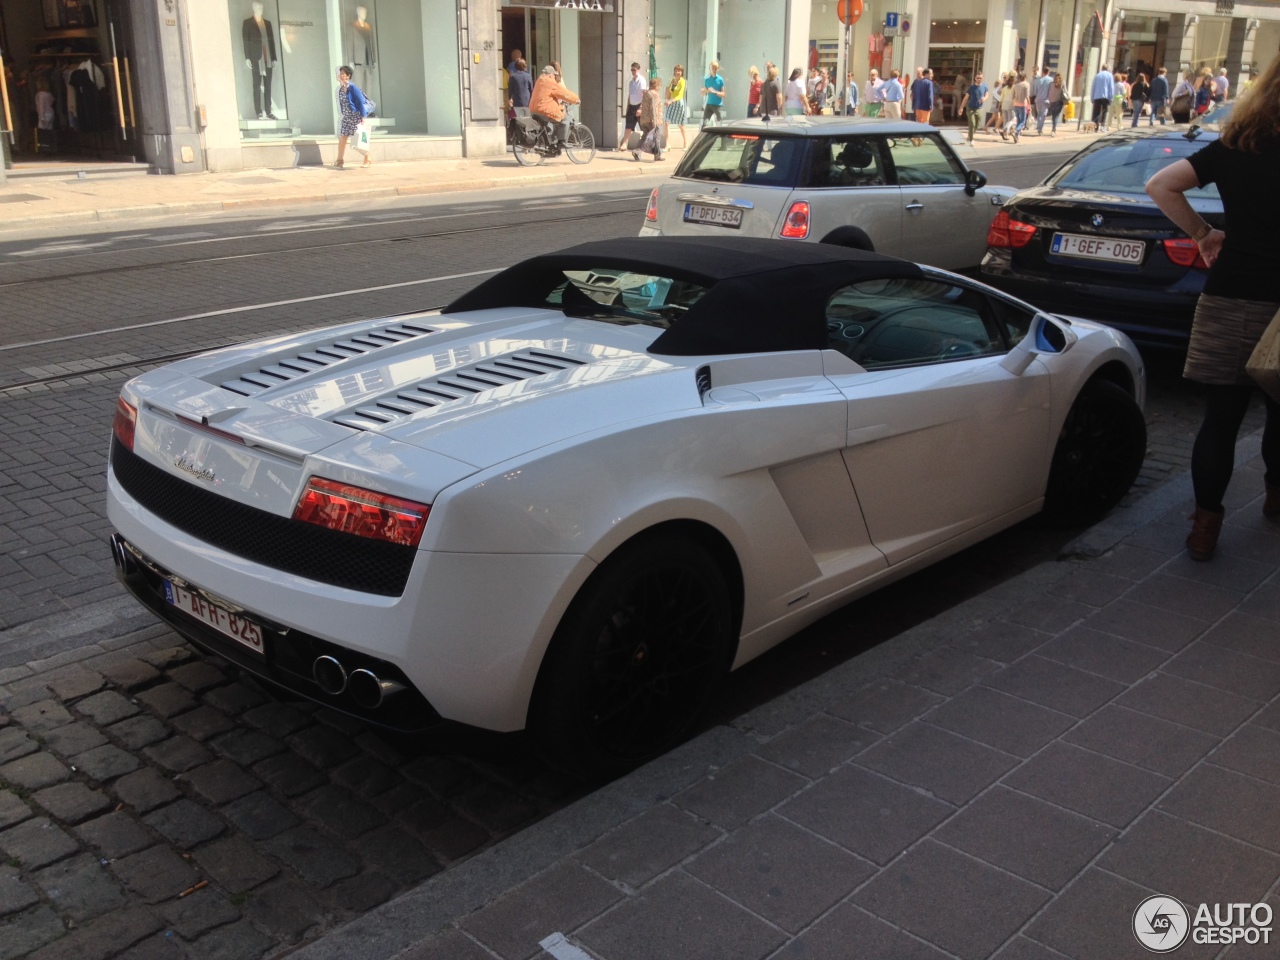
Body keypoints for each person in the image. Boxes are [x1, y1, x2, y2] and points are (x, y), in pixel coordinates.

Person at [1145, 55, 1280, 561]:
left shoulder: (1234, 145)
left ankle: (1204, 529)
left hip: (1229, 297)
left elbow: (1159, 185)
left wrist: (1204, 234)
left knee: (1220, 420)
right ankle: (1274, 498)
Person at [333, 65, 373, 169]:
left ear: (348, 76)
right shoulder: (340, 89)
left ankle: (367, 158)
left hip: (355, 118)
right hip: (346, 118)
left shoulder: (353, 88)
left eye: (343, 74)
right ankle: (340, 160)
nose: (341, 76)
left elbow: (360, 102)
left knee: (360, 139)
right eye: (340, 74)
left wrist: (363, 117)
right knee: (342, 138)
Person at [529, 63, 579, 146]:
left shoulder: (539, 80)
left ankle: (548, 146)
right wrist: (576, 99)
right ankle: (561, 142)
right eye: (553, 75)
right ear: (550, 74)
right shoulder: (550, 82)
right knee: (564, 118)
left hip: (534, 109)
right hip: (544, 109)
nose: (554, 76)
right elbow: (563, 93)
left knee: (547, 126)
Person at [635, 76, 664, 161]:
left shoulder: (646, 93)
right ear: (656, 85)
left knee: (645, 137)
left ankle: (637, 151)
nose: (660, 87)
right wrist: (654, 121)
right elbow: (653, 108)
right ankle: (657, 155)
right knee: (656, 137)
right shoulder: (654, 95)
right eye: (660, 85)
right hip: (653, 120)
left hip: (644, 120)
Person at [663, 65, 688, 148]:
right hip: (671, 103)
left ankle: (685, 142)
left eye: (679, 71)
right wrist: (667, 98)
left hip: (678, 103)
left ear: (681, 72)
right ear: (674, 71)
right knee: (666, 122)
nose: (677, 72)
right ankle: (667, 144)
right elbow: (667, 94)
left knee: (680, 124)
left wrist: (671, 101)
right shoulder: (671, 80)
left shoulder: (683, 81)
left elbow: (680, 95)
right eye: (676, 70)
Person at [624, 61, 644, 143]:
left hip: (639, 105)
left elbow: (644, 94)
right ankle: (624, 144)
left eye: (634, 70)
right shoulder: (631, 82)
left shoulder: (641, 80)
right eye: (632, 70)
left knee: (643, 126)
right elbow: (630, 95)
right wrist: (627, 106)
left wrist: (641, 108)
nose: (633, 72)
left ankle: (647, 142)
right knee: (628, 126)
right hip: (632, 105)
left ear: (638, 70)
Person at [966, 72, 988, 143]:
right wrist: (961, 107)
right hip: (970, 108)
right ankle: (971, 139)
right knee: (972, 123)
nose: (979, 79)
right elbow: (966, 98)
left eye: (980, 78)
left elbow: (987, 94)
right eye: (977, 78)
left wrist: (984, 99)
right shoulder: (972, 88)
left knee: (977, 125)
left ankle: (970, 135)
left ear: (982, 78)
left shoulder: (984, 86)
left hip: (979, 108)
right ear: (975, 78)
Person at [1091, 63, 1114, 129]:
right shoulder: (1110, 76)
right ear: (1108, 69)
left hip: (1097, 96)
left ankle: (1095, 125)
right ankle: (1102, 125)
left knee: (1096, 111)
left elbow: (1093, 87)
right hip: (1105, 96)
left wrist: (1092, 97)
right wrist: (1111, 97)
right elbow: (1111, 87)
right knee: (1104, 110)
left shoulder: (1097, 76)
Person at [1011, 71, 1030, 142]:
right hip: (1023, 104)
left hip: (1016, 104)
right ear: (1025, 77)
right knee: (1022, 121)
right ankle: (1016, 131)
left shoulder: (1016, 85)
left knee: (1018, 120)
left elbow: (1013, 95)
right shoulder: (1026, 84)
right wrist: (1029, 105)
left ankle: (1017, 136)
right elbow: (1027, 96)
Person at [1033, 66, 1053, 134]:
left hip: (1038, 99)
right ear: (1048, 72)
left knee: (1039, 114)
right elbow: (1051, 90)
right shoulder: (1051, 80)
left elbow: (1035, 91)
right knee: (1043, 114)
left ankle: (1039, 127)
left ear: (1042, 72)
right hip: (1045, 99)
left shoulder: (1038, 80)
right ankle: (1040, 128)